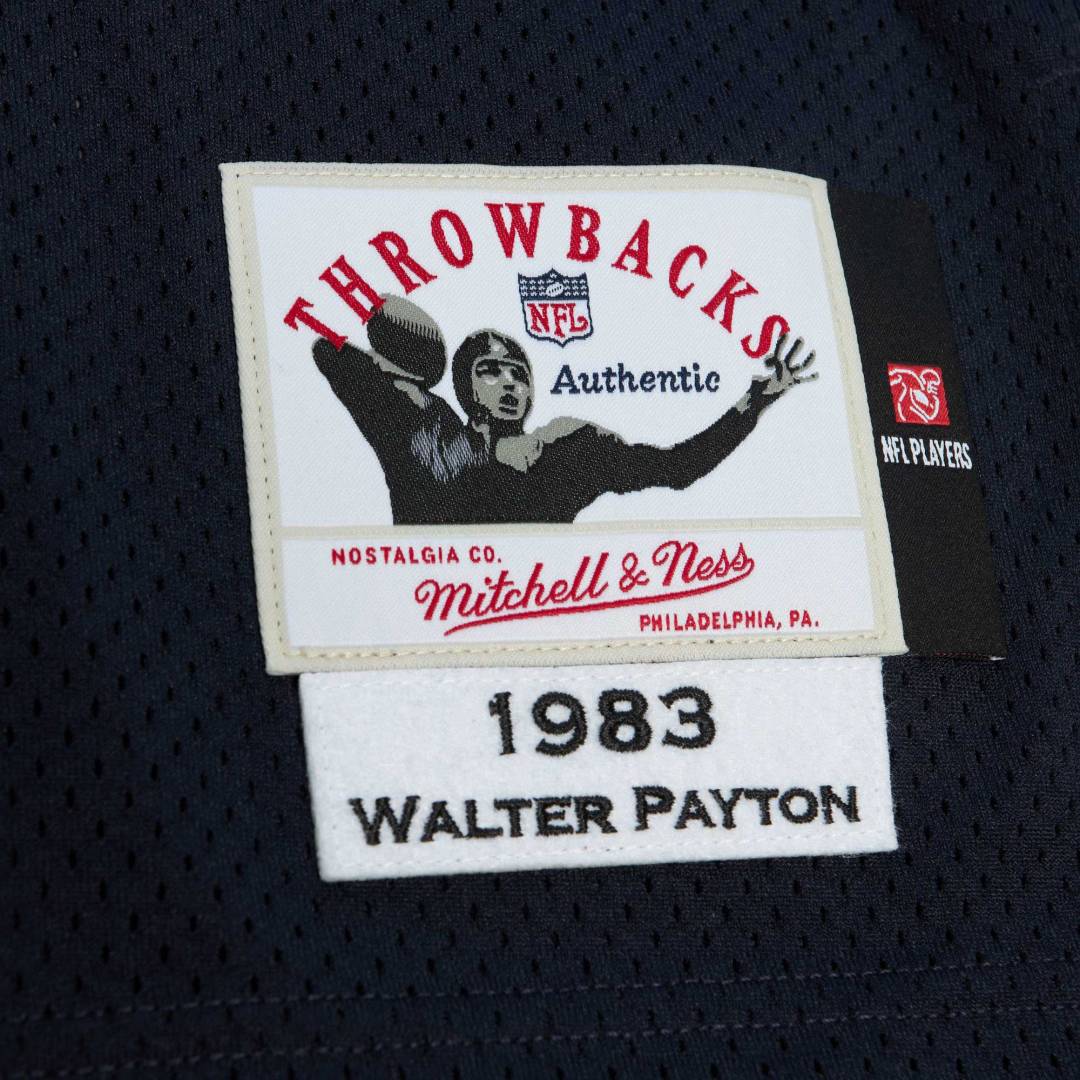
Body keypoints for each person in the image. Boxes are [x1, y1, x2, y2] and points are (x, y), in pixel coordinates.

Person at [311, 295, 817, 524]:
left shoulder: (570, 450)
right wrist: (402, 363)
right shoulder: (428, 430)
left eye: (519, 373)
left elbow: (678, 468)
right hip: (429, 615)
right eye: (490, 370)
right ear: (465, 386)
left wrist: (753, 403)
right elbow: (328, 352)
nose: (509, 382)